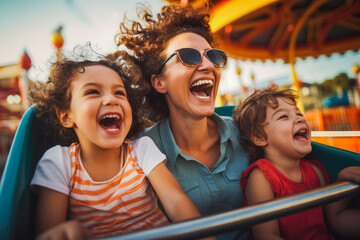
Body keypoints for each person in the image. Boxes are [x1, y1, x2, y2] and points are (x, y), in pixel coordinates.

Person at [29, 51, 211, 239]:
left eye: (119, 93)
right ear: (66, 116)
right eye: (93, 92)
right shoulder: (60, 162)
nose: (111, 99)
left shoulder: (141, 150)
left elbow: (175, 201)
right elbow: (49, 231)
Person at [115, 4, 249, 239]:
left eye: (213, 56)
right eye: (188, 57)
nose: (207, 65)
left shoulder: (247, 132)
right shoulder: (138, 152)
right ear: (159, 83)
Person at [232, 87, 360, 240]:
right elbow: (265, 235)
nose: (300, 119)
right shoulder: (262, 177)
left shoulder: (315, 171)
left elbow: (333, 220)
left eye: (299, 114)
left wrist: (342, 181)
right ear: (260, 138)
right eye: (284, 117)